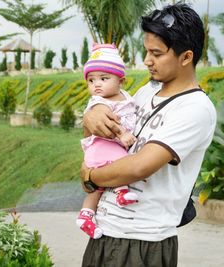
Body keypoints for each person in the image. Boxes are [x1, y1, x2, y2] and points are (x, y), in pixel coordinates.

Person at [80, 3, 216, 267]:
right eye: (146, 50)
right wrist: (90, 117)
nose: (146, 60)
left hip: (143, 243)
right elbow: (99, 141)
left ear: (186, 57)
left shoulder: (195, 108)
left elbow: (139, 166)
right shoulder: (144, 93)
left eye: (156, 53)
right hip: (104, 230)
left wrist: (90, 176)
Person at [77, 44, 139, 239]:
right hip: (103, 146)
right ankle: (121, 193)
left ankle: (86, 215)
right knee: (121, 163)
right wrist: (122, 135)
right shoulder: (99, 102)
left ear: (121, 81)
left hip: (106, 148)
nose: (96, 85)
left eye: (104, 79)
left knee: (99, 189)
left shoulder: (126, 97)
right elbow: (108, 122)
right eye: (91, 80)